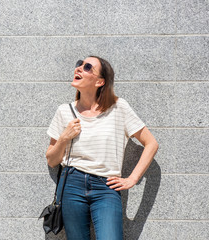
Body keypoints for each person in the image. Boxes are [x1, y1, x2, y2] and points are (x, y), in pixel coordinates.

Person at [45, 56, 159, 240]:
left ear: (100, 81)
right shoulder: (63, 111)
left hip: (106, 187)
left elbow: (151, 143)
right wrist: (64, 137)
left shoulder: (118, 107)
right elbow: (51, 160)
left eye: (87, 67)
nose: (79, 68)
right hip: (71, 184)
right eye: (79, 64)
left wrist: (132, 178)